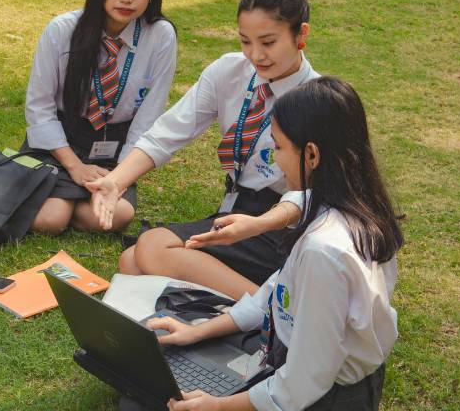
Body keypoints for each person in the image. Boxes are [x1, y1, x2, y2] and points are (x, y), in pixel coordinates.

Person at [151, 76, 402, 411]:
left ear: (311, 154)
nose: (276, 159)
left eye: (279, 147)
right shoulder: (351, 203)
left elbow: (301, 383)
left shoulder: (323, 252)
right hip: (298, 365)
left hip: (324, 397)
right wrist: (198, 331)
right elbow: (276, 292)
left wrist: (218, 406)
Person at [90, 0, 316, 299]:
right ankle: (246, 304)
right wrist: (115, 181)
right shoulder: (229, 71)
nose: (256, 55)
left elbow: (329, 195)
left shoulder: (317, 98)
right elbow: (168, 133)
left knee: (150, 250)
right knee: (131, 263)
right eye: (246, 41)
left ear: (301, 35)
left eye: (268, 42)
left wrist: (263, 222)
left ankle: (268, 310)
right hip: (236, 210)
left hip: (284, 224)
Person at [22, 0, 177, 235]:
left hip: (115, 147)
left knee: (118, 217)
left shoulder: (161, 35)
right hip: (61, 141)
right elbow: (39, 108)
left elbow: (148, 118)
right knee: (48, 220)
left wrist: (119, 178)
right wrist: (75, 167)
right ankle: (65, 200)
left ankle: (69, 201)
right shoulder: (62, 30)